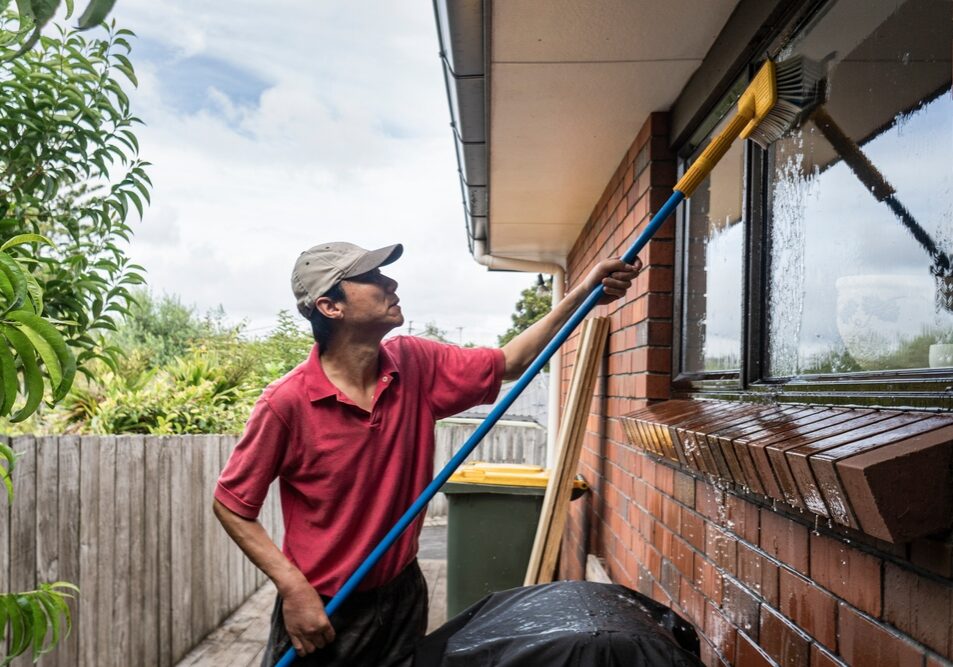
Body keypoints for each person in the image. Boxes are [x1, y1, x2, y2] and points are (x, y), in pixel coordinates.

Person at [212, 241, 641, 667]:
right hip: (324, 604)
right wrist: (292, 587)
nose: (391, 283)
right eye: (371, 277)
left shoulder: (414, 363)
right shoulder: (286, 404)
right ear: (330, 306)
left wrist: (584, 292)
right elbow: (231, 505)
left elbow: (510, 361)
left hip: (401, 593)